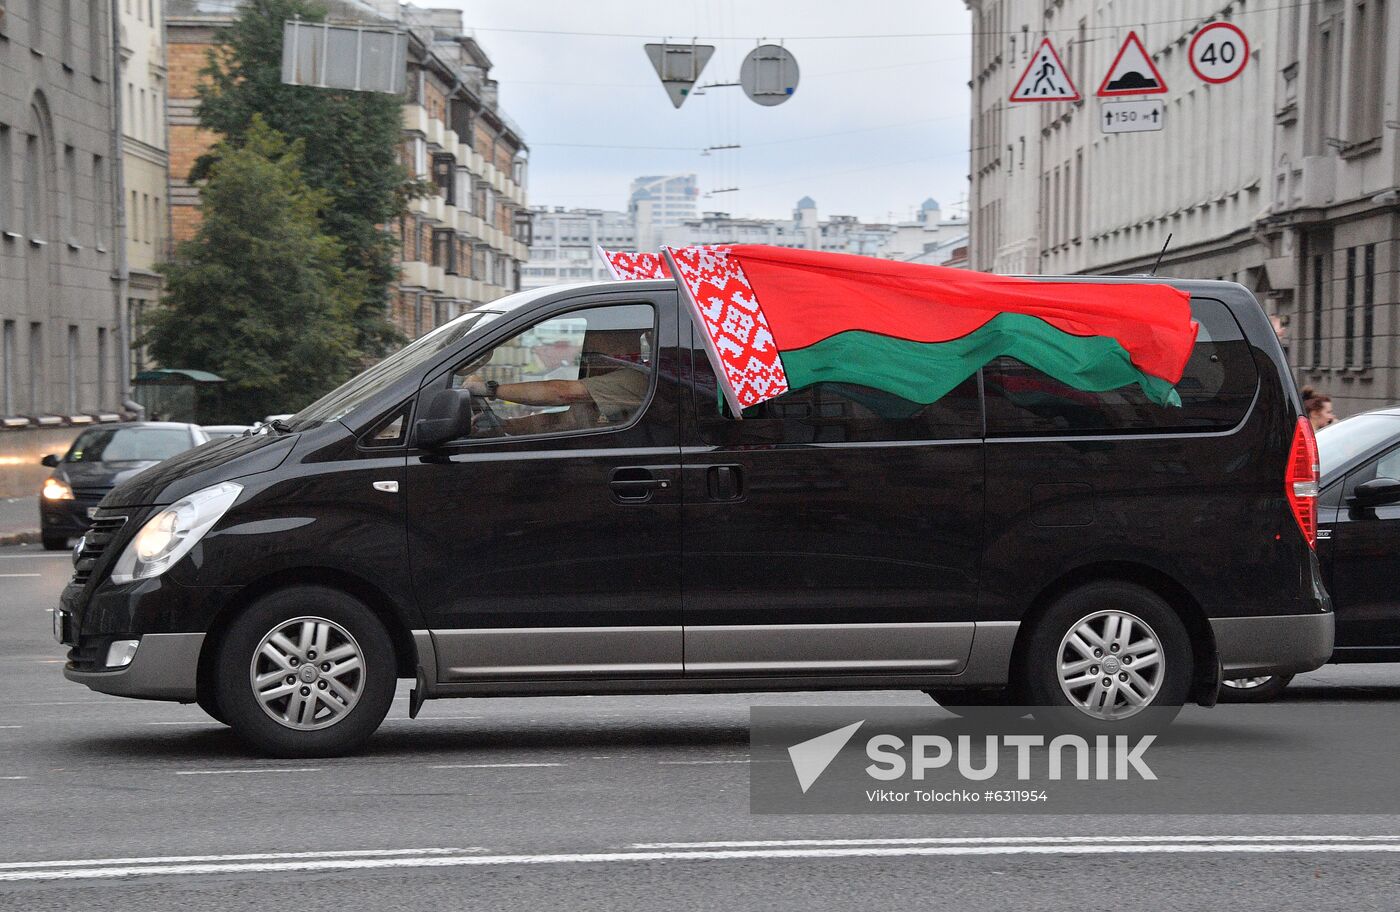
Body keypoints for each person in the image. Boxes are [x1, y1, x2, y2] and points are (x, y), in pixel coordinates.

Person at [463, 329, 650, 427]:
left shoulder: (635, 379)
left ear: (622, 346)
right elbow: (562, 421)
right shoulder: (605, 381)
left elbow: (561, 393)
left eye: (593, 351)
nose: (588, 358)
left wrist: (490, 390)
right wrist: (506, 425)